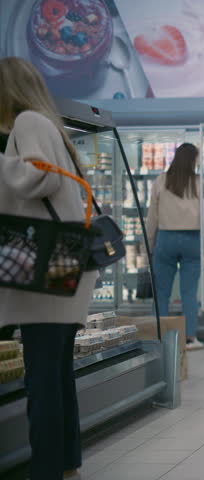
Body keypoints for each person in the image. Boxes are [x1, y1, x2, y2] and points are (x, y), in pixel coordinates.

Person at [0, 56, 96, 480]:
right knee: (56, 374)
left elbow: (38, 178)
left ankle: (46, 469)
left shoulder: (27, 123)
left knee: (42, 378)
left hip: (45, 268)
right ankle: (66, 464)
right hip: (65, 261)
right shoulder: (50, 124)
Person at [147, 143, 204, 351]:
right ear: (193, 160)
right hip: (192, 239)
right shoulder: (200, 183)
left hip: (165, 238)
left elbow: (153, 216)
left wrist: (149, 243)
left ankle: (157, 336)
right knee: (189, 292)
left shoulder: (161, 180)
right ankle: (190, 338)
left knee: (161, 292)